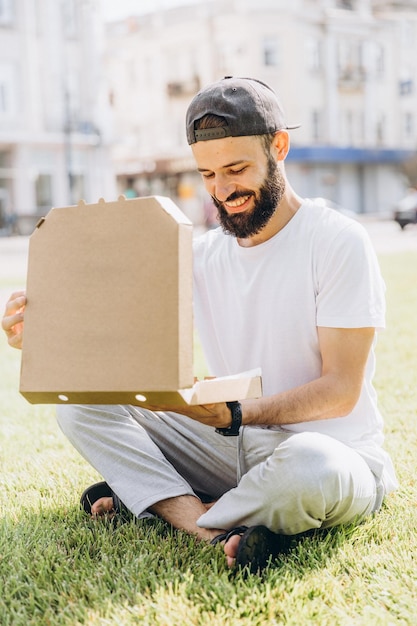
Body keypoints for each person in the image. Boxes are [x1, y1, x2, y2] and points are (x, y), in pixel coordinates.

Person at [2, 77, 398, 573]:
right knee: (80, 405)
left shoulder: (338, 240)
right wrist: (44, 334)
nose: (222, 190)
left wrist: (236, 413)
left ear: (279, 147)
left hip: (335, 453)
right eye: (208, 174)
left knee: (310, 469)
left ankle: (156, 497)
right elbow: (116, 327)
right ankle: (200, 523)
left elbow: (341, 390)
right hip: (233, 445)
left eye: (236, 169)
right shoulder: (201, 254)